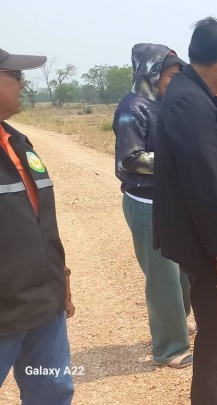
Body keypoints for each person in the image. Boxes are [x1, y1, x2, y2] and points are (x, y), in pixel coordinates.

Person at [153, 18, 217, 405]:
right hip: (208, 247)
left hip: (206, 241)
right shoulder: (191, 103)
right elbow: (203, 185)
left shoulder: (189, 93)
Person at [0, 47, 76, 404]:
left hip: (44, 306)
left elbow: (38, 221)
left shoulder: (18, 141)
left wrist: (60, 276)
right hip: (5, 310)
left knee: (52, 392)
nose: (22, 84)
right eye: (15, 76)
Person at [114, 44, 194, 369]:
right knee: (163, 277)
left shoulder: (162, 105)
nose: (175, 82)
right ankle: (170, 347)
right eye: (171, 75)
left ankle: (179, 320)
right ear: (151, 73)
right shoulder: (132, 108)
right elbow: (131, 158)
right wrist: (176, 161)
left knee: (184, 270)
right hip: (145, 201)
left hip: (170, 201)